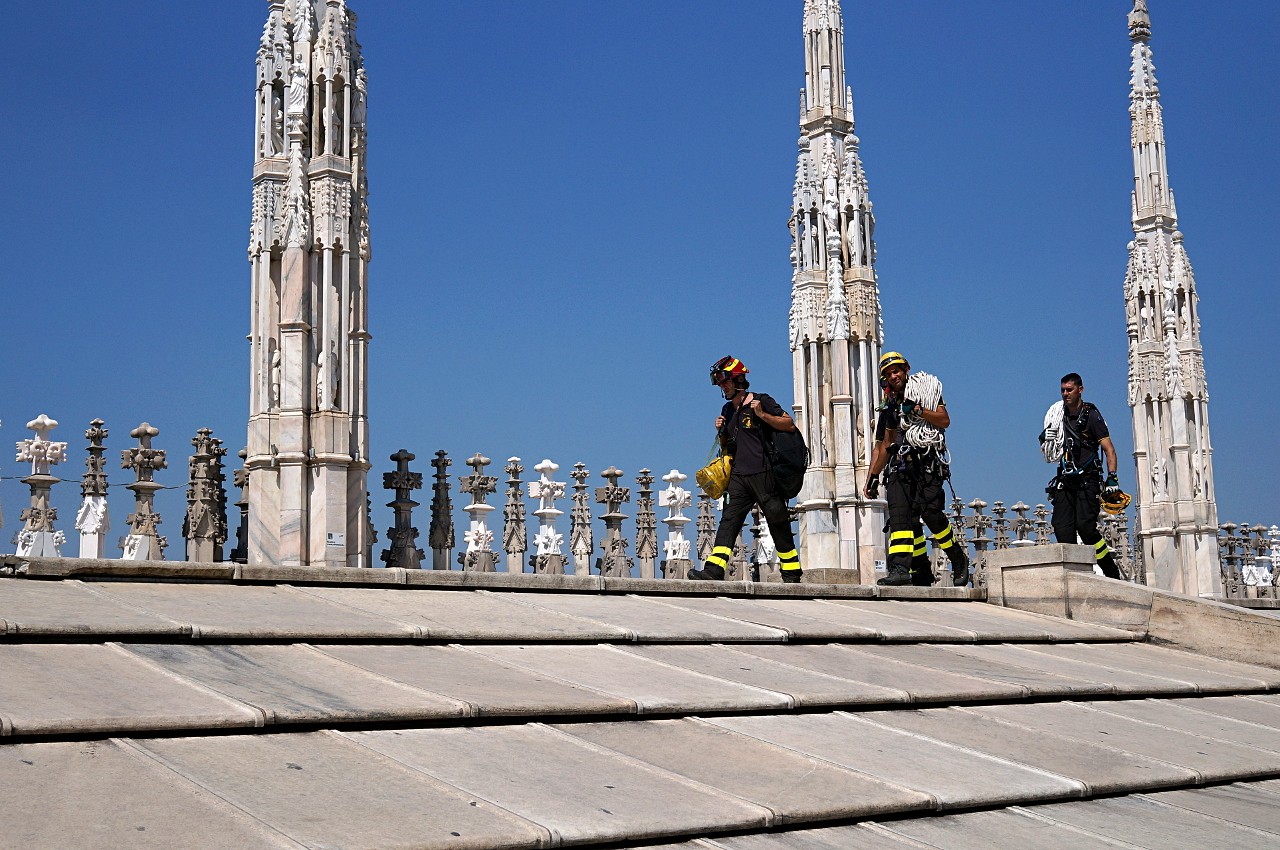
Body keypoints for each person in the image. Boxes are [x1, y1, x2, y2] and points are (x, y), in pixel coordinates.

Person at [689, 356, 803, 583]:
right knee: (729, 521)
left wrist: (762, 415)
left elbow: (788, 424)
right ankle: (714, 570)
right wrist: (721, 432)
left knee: (776, 520)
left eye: (726, 381)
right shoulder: (727, 409)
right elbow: (727, 446)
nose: (723, 386)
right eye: (720, 383)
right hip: (739, 475)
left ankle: (791, 573)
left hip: (764, 474)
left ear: (739, 379)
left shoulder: (762, 400)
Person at [864, 351, 970, 587]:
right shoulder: (889, 405)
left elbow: (944, 420)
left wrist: (918, 410)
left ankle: (957, 558)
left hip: (927, 463)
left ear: (906, 369)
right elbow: (884, 444)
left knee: (931, 514)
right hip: (900, 466)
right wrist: (872, 476)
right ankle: (902, 568)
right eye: (888, 373)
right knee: (901, 517)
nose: (893, 376)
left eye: (896, 370)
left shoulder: (926, 390)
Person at [1043, 372, 1122, 579]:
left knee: (1086, 528)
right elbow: (1048, 446)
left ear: (1080, 390)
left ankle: (1111, 572)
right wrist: (1044, 437)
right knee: (1061, 527)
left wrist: (1112, 478)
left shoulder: (1091, 416)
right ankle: (1074, 574)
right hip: (1066, 480)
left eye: (1069, 390)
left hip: (1088, 480)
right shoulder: (1058, 414)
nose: (1065, 394)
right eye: (1063, 390)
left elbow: (1109, 449)